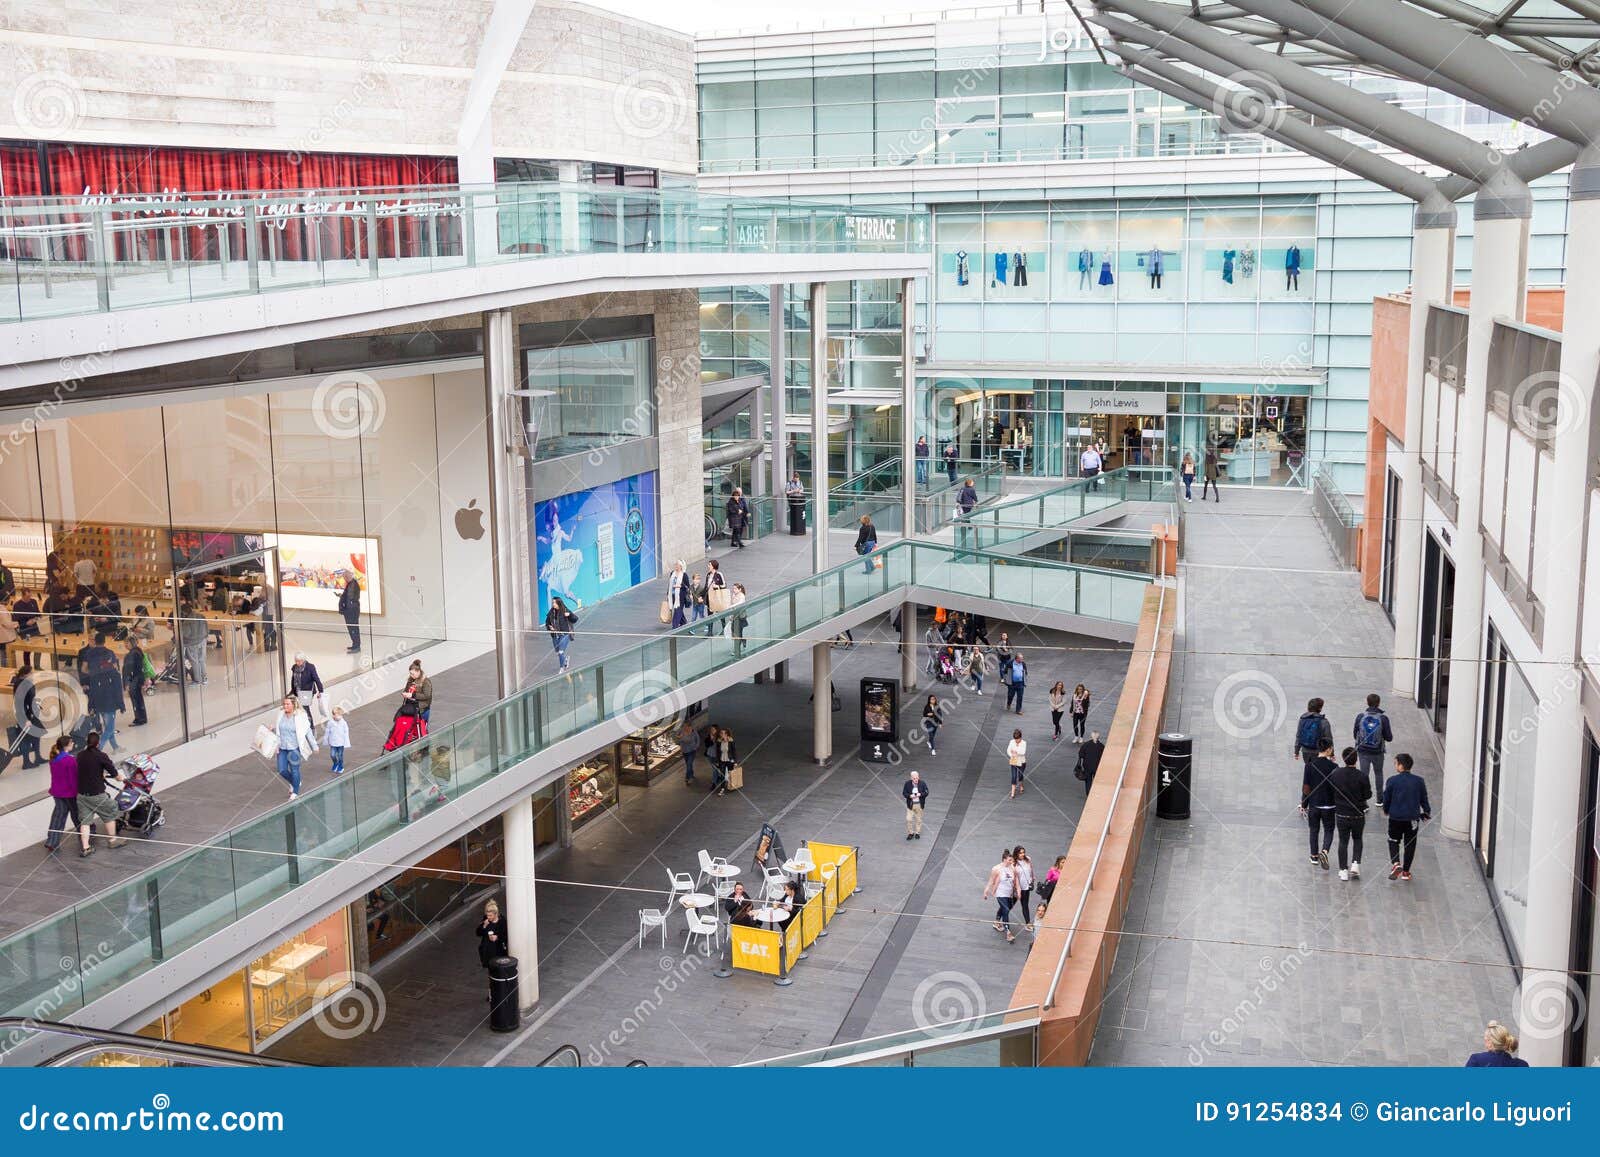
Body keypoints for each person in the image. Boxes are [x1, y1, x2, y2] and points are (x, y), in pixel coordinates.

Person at [74, 731, 125, 859]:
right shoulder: (101, 755)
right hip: (97, 794)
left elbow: (85, 770)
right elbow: (114, 773)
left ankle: (86, 848)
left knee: (85, 822)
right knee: (110, 812)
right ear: (98, 743)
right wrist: (120, 778)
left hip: (81, 795)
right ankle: (113, 840)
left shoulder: (79, 755)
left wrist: (98, 773)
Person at [1380, 752, 1429, 881]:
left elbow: (1386, 798)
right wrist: (1426, 812)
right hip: (1412, 818)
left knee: (1393, 840)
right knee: (1410, 844)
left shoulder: (1392, 781)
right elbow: (1424, 798)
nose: (1395, 766)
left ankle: (1396, 863)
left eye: (1396, 763)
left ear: (1401, 766)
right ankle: (1406, 872)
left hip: (1395, 817)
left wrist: (1386, 810)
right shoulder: (1419, 781)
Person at [1330, 745, 1372, 881]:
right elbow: (1368, 794)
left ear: (1343, 759)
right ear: (1356, 760)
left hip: (1341, 814)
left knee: (1343, 841)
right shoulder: (1362, 776)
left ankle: (1343, 870)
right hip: (1358, 814)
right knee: (1358, 839)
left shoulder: (1336, 774)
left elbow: (1331, 791)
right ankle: (1355, 864)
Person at [80, 632, 124, 753]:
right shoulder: (109, 653)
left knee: (106, 721)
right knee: (109, 727)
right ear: (104, 641)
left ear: (95, 641)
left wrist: (94, 675)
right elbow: (115, 669)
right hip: (108, 691)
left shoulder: (88, 654)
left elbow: (83, 669)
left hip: (95, 690)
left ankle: (115, 747)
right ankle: (97, 750)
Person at [1300, 740, 1338, 870]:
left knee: (1314, 830)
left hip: (1315, 804)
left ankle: (1314, 856)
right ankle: (1325, 851)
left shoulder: (1310, 766)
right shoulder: (1334, 767)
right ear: (1328, 750)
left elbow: (1306, 787)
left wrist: (1304, 804)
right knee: (1329, 830)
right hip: (1329, 805)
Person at [273, 695, 314, 800]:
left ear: (293, 705)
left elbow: (307, 731)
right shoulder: (281, 714)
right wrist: (272, 728)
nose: (285, 706)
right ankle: (295, 782)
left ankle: (295, 791)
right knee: (282, 770)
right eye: (284, 703)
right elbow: (279, 728)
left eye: (287, 704)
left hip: (294, 748)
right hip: (282, 747)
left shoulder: (300, 716)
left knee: (295, 770)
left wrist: (314, 745)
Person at [1353, 692, 1394, 795]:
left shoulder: (1360, 716)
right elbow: (1389, 738)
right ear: (1378, 703)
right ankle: (1380, 799)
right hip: (1377, 751)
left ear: (1367, 702)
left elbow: (1355, 734)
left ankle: (1364, 802)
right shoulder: (1383, 718)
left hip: (1363, 751)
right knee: (1378, 773)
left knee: (1364, 775)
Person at [44, 735, 78, 853]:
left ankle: (52, 841)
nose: (73, 744)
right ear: (66, 745)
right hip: (69, 793)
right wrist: (78, 792)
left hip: (57, 792)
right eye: (72, 742)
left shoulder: (53, 760)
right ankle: (86, 837)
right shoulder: (70, 760)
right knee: (77, 816)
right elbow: (73, 779)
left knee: (58, 816)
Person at [982, 849, 1019, 943]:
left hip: (1009, 893)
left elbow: (1015, 881)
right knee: (1006, 910)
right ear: (1004, 859)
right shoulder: (996, 869)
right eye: (1010, 860)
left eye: (1012, 860)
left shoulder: (1012, 868)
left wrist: (1018, 891)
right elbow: (991, 880)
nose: (1012, 862)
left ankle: (997, 921)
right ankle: (1008, 932)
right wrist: (986, 891)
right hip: (1000, 893)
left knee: (1005, 908)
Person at [290, 652, 324, 736]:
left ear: (303, 660)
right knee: (297, 709)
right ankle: (301, 727)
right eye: (296, 661)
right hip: (297, 691)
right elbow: (293, 680)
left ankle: (312, 728)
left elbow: (316, 679)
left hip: (307, 691)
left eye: (299, 661)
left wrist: (321, 691)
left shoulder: (310, 667)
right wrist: (292, 691)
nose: (297, 663)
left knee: (305, 709)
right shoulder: (294, 667)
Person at [1293, 697, 1334, 765]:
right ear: (1320, 709)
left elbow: (1298, 736)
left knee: (1309, 770)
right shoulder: (1324, 721)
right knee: (1318, 772)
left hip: (1305, 751)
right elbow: (1329, 739)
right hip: (1319, 752)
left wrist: (1296, 751)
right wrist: (1331, 754)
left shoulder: (1302, 719)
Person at [178, 600, 209, 685]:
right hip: (202, 640)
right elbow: (207, 628)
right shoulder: (201, 616)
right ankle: (204, 678)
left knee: (194, 661)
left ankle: (197, 680)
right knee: (202, 660)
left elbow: (185, 634)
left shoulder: (187, 622)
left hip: (192, 643)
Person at [545, 596, 577, 673]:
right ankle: (565, 660)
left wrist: (569, 615)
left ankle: (562, 668)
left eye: (554, 603)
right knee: (557, 653)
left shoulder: (565, 610)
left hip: (564, 634)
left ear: (558, 603)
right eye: (552, 602)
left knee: (560, 652)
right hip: (555, 635)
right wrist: (550, 628)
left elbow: (575, 619)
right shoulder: (551, 612)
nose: (553, 604)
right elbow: (547, 623)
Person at [476, 899, 508, 967]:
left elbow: (506, 936)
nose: (488, 917)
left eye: (490, 915)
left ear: (496, 914)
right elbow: (478, 933)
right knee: (491, 970)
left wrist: (497, 937)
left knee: (499, 970)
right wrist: (484, 926)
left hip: (499, 951)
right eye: (487, 915)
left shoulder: (502, 921)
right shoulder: (486, 920)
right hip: (487, 951)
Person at [1013, 845, 1036, 932]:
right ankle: (998, 918)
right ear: (1016, 854)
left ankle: (1028, 923)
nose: (1022, 854)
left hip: (1026, 887)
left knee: (1025, 905)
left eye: (1023, 852)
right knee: (1010, 905)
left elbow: (1031, 869)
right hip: (1017, 888)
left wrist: (1033, 877)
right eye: (1020, 853)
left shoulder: (1028, 859)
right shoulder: (1014, 864)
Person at [1036, 854, 1067, 920]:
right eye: (1062, 862)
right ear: (1058, 862)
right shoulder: (1053, 870)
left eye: (1065, 862)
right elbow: (1047, 879)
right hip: (1051, 889)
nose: (1064, 864)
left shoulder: (1066, 870)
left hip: (1060, 889)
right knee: (1050, 903)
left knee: (1059, 903)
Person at [338, 575, 362, 653]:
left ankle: (356, 647)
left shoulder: (353, 585)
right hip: (350, 610)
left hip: (351, 611)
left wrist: (343, 598)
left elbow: (351, 597)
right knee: (351, 629)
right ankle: (355, 645)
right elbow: (348, 596)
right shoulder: (351, 584)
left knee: (353, 629)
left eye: (345, 578)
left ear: (347, 577)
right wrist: (341, 596)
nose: (344, 580)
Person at [710, 725, 737, 796]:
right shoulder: (719, 742)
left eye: (724, 733)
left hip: (729, 760)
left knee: (730, 773)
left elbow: (734, 752)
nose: (722, 734)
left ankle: (731, 785)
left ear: (727, 734)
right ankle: (722, 789)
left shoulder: (731, 741)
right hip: (722, 760)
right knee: (722, 775)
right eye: (721, 733)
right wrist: (717, 761)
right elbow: (718, 752)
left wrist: (735, 762)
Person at [903, 769, 928, 840]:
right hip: (910, 805)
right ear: (911, 778)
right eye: (914, 778)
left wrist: (920, 794)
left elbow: (926, 792)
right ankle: (911, 833)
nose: (916, 779)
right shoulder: (907, 783)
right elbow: (904, 793)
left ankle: (917, 832)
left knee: (919, 819)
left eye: (917, 778)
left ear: (918, 777)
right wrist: (910, 796)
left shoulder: (922, 783)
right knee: (909, 819)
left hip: (919, 805)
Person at [704, 559, 728, 636]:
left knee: (720, 613)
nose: (708, 566)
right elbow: (706, 587)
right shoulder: (708, 575)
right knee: (710, 614)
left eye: (709, 565)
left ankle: (724, 629)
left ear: (713, 566)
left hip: (717, 597)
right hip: (709, 597)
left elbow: (724, 585)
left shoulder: (719, 574)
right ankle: (710, 631)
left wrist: (716, 586)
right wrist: (702, 596)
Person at [405, 660, 433, 725]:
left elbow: (426, 696)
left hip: (422, 709)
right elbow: (406, 689)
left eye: (412, 673)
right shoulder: (410, 680)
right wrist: (406, 693)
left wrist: (412, 695)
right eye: (410, 673)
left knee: (422, 729)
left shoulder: (426, 682)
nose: (411, 675)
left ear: (418, 672)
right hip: (411, 707)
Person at [326, 705, 350, 776]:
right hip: (333, 742)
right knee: (332, 755)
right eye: (336, 715)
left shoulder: (343, 723)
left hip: (341, 742)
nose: (338, 716)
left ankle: (340, 766)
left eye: (339, 715)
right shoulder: (330, 723)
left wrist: (346, 742)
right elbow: (327, 731)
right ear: (333, 715)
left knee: (340, 755)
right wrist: (326, 739)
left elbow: (346, 732)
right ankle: (335, 763)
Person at [678, 719, 701, 786]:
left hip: (692, 751)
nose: (685, 728)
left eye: (686, 726)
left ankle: (688, 778)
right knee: (689, 764)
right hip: (685, 751)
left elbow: (698, 740)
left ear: (690, 726)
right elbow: (679, 740)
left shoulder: (694, 732)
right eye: (684, 726)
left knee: (689, 764)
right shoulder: (682, 732)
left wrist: (696, 747)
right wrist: (680, 738)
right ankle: (691, 774)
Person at [667, 560, 689, 629]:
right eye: (675, 564)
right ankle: (684, 623)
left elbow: (687, 586)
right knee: (679, 611)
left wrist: (680, 586)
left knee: (677, 611)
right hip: (672, 595)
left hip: (680, 597)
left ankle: (674, 627)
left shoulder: (684, 575)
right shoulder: (672, 573)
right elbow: (670, 584)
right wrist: (668, 593)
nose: (675, 566)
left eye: (677, 564)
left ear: (681, 566)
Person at [1006, 728, 1027, 799]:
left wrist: (1015, 751)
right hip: (1014, 762)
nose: (1016, 740)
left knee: (1020, 775)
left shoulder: (1024, 743)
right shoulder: (1012, 742)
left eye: (1018, 739)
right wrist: (1012, 754)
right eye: (1015, 739)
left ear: (1020, 737)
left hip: (1022, 762)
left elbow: (1023, 752)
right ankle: (1013, 793)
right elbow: (1008, 750)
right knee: (1014, 776)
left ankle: (1021, 785)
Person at [729, 583, 749, 656]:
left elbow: (739, 604)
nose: (733, 590)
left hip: (740, 617)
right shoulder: (733, 595)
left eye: (735, 589)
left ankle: (736, 649)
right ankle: (743, 640)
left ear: (740, 589)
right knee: (734, 631)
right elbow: (732, 605)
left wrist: (730, 606)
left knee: (738, 632)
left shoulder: (742, 596)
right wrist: (731, 615)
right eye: (733, 588)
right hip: (735, 616)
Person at [1006, 650, 1027, 715]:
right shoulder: (1010, 663)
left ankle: (1018, 710)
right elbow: (1005, 672)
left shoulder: (1023, 663)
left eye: (1022, 658)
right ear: (1017, 658)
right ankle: (1009, 703)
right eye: (1021, 658)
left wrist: (1025, 677)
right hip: (1012, 683)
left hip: (1020, 683)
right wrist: (1007, 680)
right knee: (1010, 695)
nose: (1022, 659)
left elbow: (1025, 671)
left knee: (1020, 697)